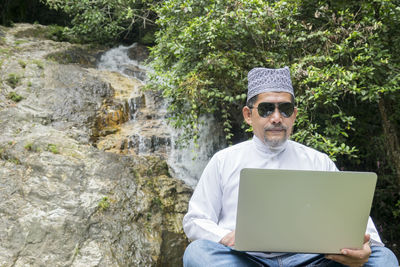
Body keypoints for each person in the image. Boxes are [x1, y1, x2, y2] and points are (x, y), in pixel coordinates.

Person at [182, 67, 399, 267]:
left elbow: (355, 224)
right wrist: (222, 236)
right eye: (267, 109)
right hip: (246, 260)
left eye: (284, 109)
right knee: (197, 253)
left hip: (313, 260)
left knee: (384, 259)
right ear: (249, 115)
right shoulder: (224, 161)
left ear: (294, 115)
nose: (277, 118)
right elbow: (195, 220)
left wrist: (363, 249)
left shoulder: (318, 161)